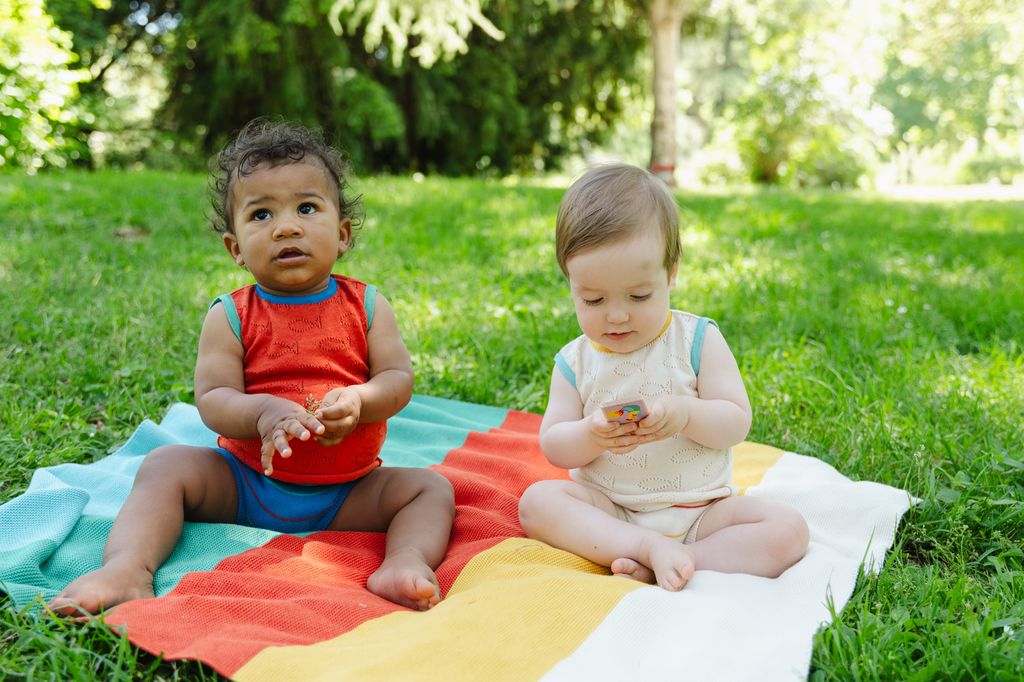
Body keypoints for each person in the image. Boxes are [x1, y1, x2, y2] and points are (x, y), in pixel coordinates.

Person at [50, 119, 454, 614]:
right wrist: (262, 412)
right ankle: (128, 568)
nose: (287, 226)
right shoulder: (231, 315)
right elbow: (214, 399)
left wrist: (360, 400)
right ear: (236, 248)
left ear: (343, 233)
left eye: (307, 208)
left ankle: (404, 561)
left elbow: (397, 379)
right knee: (165, 466)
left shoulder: (367, 306)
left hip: (348, 491)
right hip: (245, 483)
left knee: (429, 489)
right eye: (262, 214)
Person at [518, 163, 808, 591]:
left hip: (702, 512)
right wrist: (593, 434)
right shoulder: (574, 361)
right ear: (570, 284)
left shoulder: (696, 340)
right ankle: (643, 547)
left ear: (671, 274)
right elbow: (555, 445)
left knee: (788, 529)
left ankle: (685, 558)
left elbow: (735, 421)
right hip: (611, 512)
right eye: (593, 299)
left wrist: (686, 413)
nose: (616, 315)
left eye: (639, 295)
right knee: (537, 503)